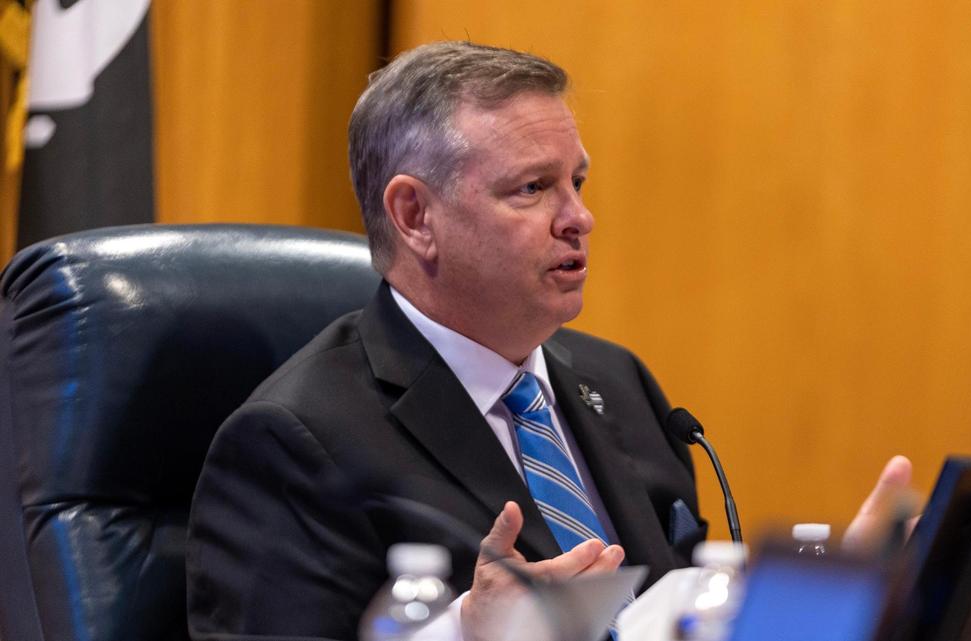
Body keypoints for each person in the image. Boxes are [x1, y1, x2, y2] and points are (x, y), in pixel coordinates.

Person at [185, 41, 913, 641]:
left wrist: (832, 590)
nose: (579, 218)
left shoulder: (618, 383)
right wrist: (466, 633)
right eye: (532, 188)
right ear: (414, 215)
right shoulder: (293, 441)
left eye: (578, 182)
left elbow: (683, 617)